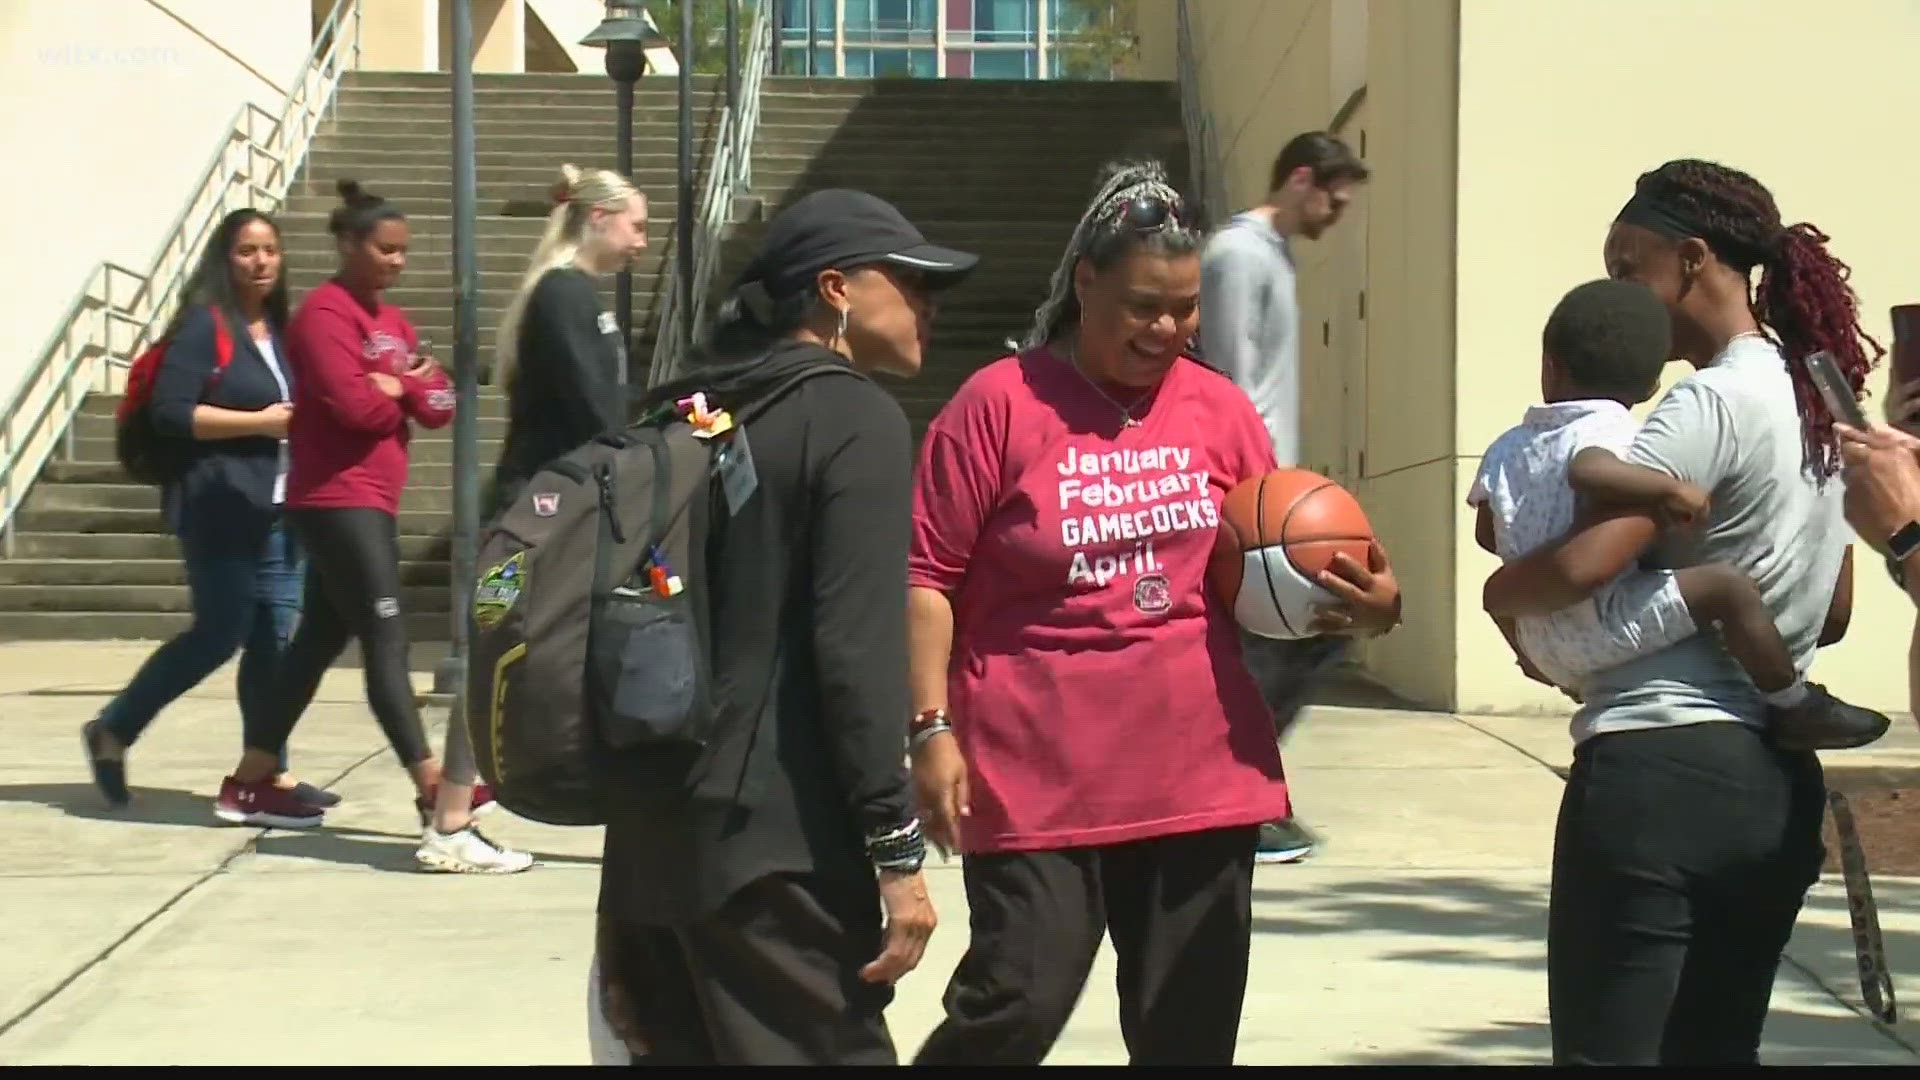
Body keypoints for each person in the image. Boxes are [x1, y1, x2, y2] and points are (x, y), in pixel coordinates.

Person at [906, 160, 1401, 1067]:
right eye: (1144, 305)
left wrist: (1362, 603)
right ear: (1085, 282)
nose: (1169, 328)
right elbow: (928, 577)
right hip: (1033, 770)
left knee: (1189, 1036)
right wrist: (929, 727)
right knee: (1014, 1005)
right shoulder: (996, 407)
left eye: (1185, 306)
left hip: (1199, 770)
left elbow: (1261, 574)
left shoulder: (1217, 409)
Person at [1480, 158, 1876, 1065]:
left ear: (1693, 260)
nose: (1616, 293)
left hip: (1655, 770)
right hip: (1772, 786)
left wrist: (1502, 597)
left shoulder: (1705, 401)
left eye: (1629, 267)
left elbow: (1583, 566)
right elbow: (1839, 605)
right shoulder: (1818, 395)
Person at [592, 188, 978, 1064]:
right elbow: (855, 653)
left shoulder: (685, 408)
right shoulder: (854, 419)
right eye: (912, 281)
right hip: (775, 854)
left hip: (650, 845)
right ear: (835, 289)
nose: (930, 305)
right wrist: (896, 851)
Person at [1471, 277, 1887, 750]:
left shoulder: (1506, 446)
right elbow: (1590, 469)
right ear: (1652, 385)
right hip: (1608, 626)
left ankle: (1544, 664)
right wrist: (1667, 489)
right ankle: (1793, 702)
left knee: (1498, 587)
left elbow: (1488, 534)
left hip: (1542, 643)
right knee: (1727, 588)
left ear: (1550, 365)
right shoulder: (1617, 433)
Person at [214, 180, 471, 835]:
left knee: (314, 646)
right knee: (388, 638)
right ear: (350, 244)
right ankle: (430, 787)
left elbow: (442, 406)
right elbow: (354, 408)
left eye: (404, 251)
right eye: (385, 249)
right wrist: (403, 387)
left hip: (372, 498)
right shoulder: (324, 317)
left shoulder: (392, 321)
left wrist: (403, 383)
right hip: (335, 500)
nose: (397, 262)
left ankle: (248, 784)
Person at [81, 209, 332, 810]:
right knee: (220, 634)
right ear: (225, 259)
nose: (261, 261)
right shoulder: (205, 325)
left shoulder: (283, 331)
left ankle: (266, 769)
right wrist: (261, 423)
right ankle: (115, 727)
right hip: (220, 506)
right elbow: (171, 412)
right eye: (247, 251)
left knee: (275, 637)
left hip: (282, 510)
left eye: (270, 249)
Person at [1197, 131, 1371, 865]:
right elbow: (1228, 379)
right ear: (1301, 178)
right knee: (1309, 631)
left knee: (1300, 638)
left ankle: (1251, 797)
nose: (1336, 212)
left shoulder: (1272, 255)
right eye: (1333, 196)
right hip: (1254, 491)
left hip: (1273, 488)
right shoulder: (1238, 254)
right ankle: (1242, 801)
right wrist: (1261, 495)